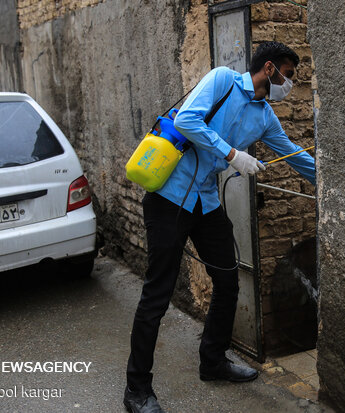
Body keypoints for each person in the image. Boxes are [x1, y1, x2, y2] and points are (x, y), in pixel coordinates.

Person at [123, 41, 316, 413]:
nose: (290, 83)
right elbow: (186, 120)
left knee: (228, 280)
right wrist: (232, 154)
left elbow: (292, 152)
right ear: (270, 68)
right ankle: (137, 390)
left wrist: (326, 181)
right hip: (169, 197)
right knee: (156, 295)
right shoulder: (222, 80)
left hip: (205, 201)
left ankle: (212, 361)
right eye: (289, 75)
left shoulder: (264, 116)